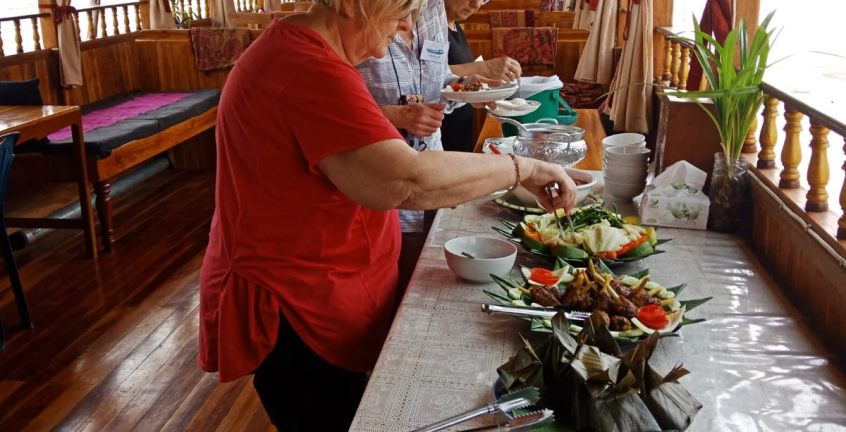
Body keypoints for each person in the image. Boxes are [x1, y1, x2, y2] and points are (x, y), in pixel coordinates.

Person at [197, 0, 578, 430]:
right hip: (296, 308)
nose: (399, 32)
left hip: (329, 290)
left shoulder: (316, 55)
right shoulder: (304, 66)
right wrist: (522, 168)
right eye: (399, 10)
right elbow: (404, 181)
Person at [442, 0, 523, 152]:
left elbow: (451, 76)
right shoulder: (429, 28)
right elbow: (427, 74)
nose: (477, 4)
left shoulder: (455, 25)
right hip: (439, 135)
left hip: (461, 132)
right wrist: (485, 68)